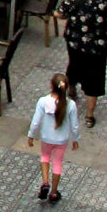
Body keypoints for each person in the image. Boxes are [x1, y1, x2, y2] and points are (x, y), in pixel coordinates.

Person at [58, 0, 107, 129]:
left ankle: (71, 89)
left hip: (76, 43)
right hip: (98, 49)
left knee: (74, 66)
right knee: (95, 78)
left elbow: (60, 13)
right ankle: (89, 115)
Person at [28, 73, 81, 205]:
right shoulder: (71, 105)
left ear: (51, 85)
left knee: (45, 157)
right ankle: (54, 192)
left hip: (46, 137)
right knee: (57, 163)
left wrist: (31, 135)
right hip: (61, 140)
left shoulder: (43, 101)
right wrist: (76, 139)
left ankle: (45, 182)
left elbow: (36, 121)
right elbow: (74, 125)